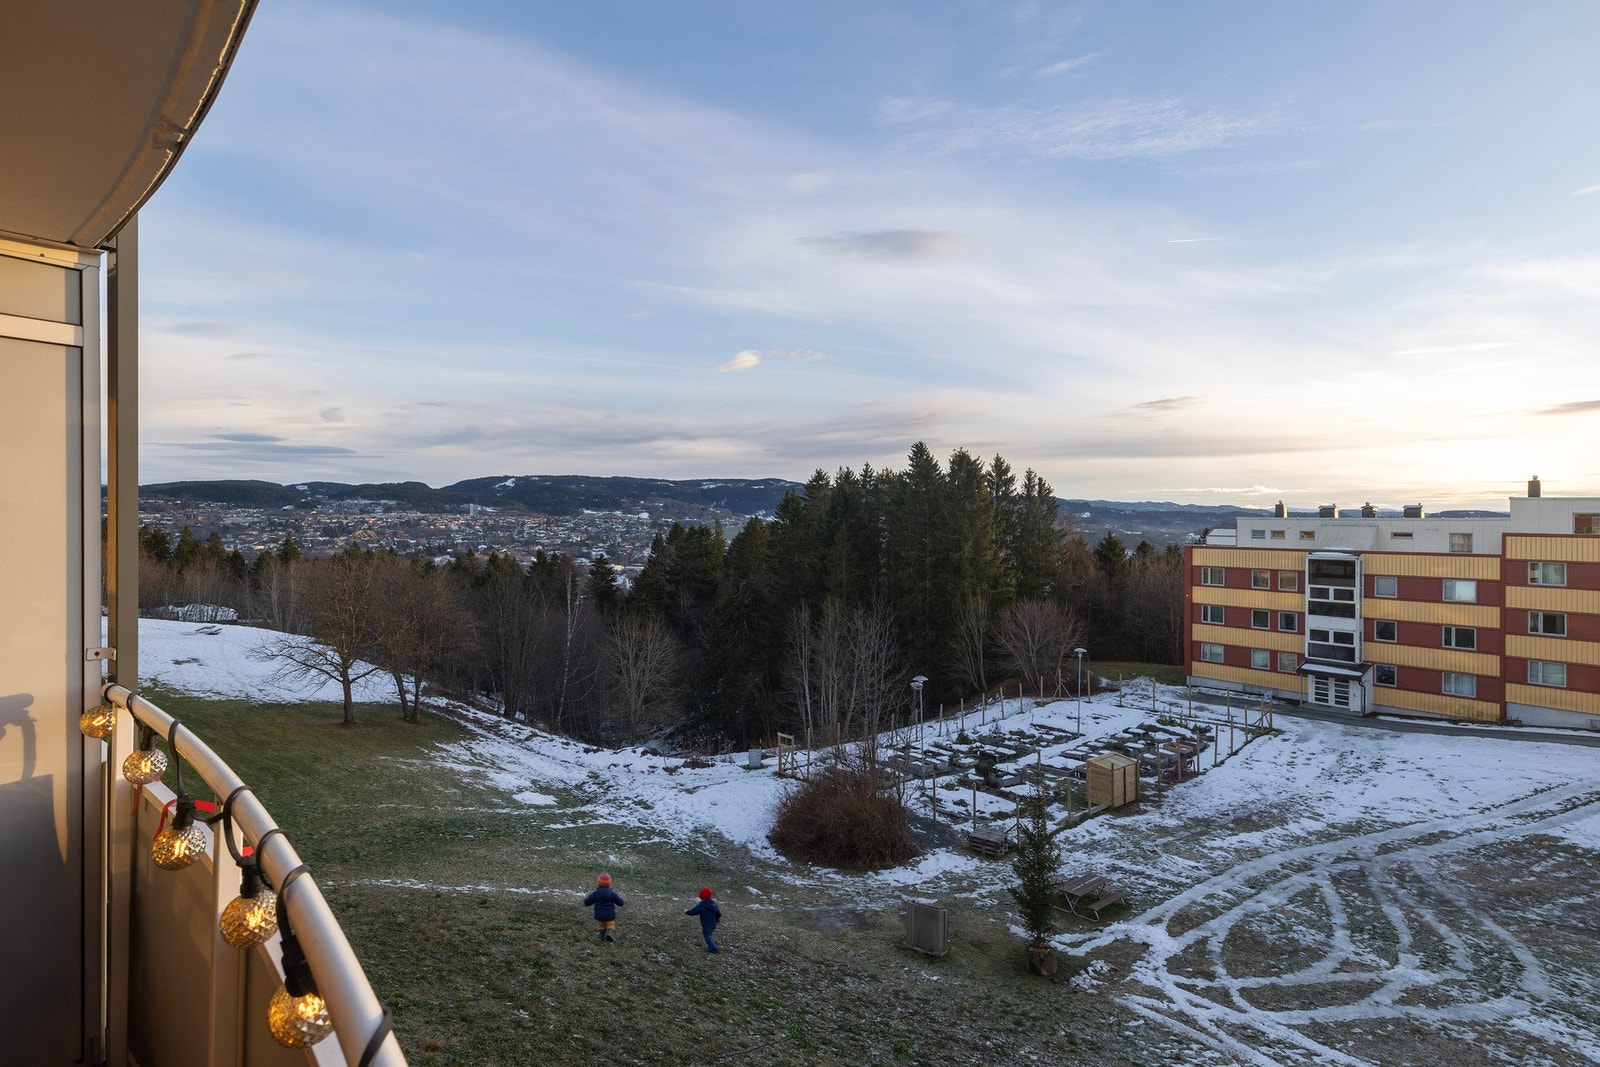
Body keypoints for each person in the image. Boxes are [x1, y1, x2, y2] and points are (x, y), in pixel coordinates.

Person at [583, 872, 624, 942]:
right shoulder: (612, 893)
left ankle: (602, 939)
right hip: (610, 914)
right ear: (609, 883)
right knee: (610, 924)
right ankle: (609, 934)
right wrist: (621, 902)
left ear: (599, 882)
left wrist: (586, 903)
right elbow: (620, 903)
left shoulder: (596, 893)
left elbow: (588, 901)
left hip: (599, 914)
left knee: (601, 926)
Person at [685, 886, 721, 953]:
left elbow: (694, 911)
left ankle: (714, 948)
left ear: (702, 896)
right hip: (713, 923)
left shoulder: (702, 905)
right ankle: (710, 948)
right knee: (709, 935)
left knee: (707, 936)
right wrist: (717, 918)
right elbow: (719, 913)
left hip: (706, 924)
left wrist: (688, 912)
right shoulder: (713, 904)